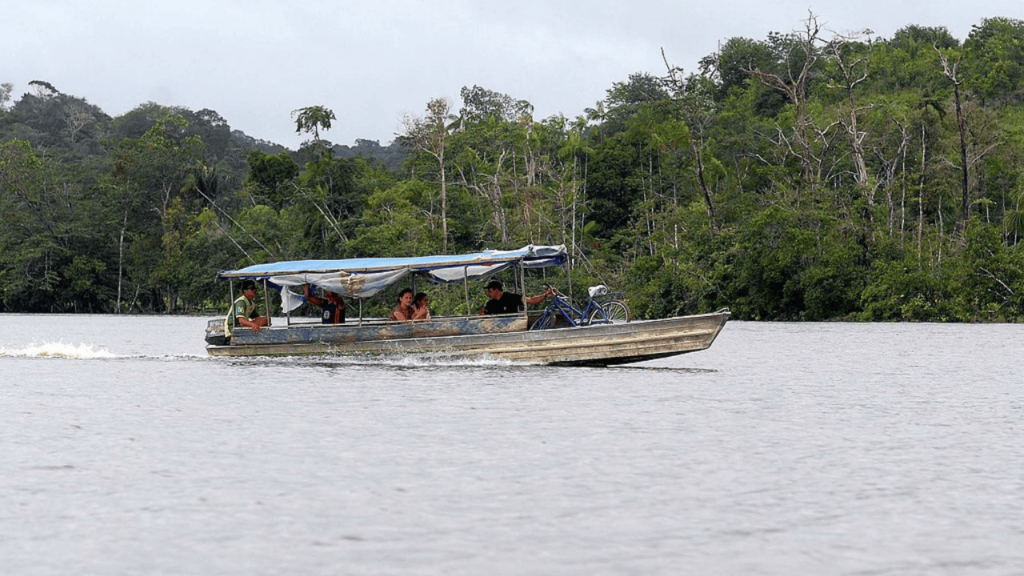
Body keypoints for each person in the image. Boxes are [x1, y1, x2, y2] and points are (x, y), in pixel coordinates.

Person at [479, 279, 551, 315]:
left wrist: (545, 295)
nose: (488, 293)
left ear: (497, 290)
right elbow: (485, 316)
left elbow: (531, 300)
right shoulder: (490, 303)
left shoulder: (511, 297)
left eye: (490, 290)